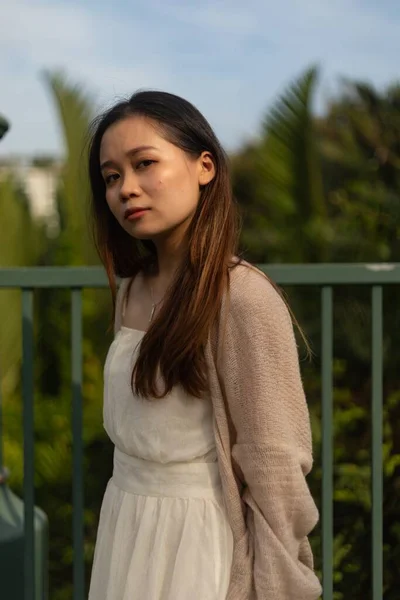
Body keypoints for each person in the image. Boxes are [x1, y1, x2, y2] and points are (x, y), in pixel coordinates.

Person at [87, 90, 322, 600]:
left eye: (144, 163)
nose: (127, 188)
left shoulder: (242, 297)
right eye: (111, 176)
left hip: (200, 550)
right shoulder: (131, 288)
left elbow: (275, 466)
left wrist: (279, 586)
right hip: (125, 525)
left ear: (205, 167)